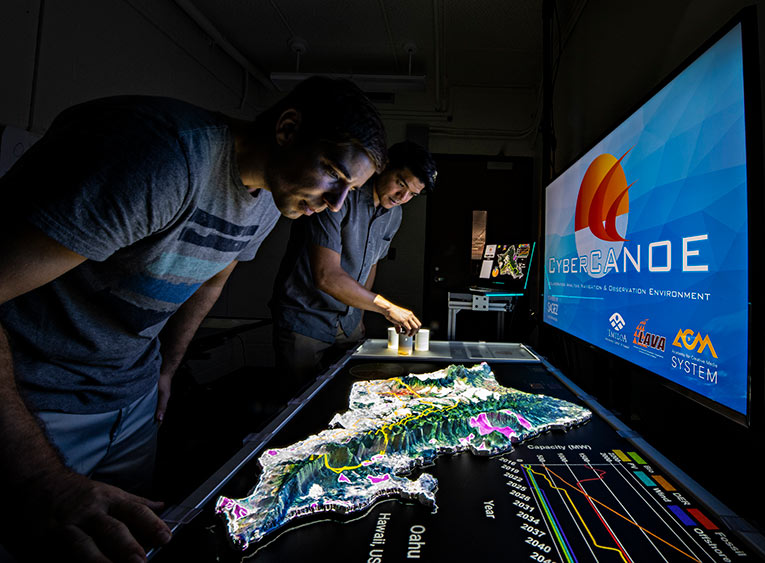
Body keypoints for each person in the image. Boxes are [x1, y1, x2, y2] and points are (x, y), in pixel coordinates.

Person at [0, 76, 386, 562]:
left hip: (132, 393)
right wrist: (39, 475)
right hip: (36, 399)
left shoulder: (270, 200)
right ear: (287, 129)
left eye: (350, 190)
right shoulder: (162, 158)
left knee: (125, 543)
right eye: (333, 174)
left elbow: (209, 282)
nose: (336, 203)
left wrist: (166, 368)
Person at [269, 140, 437, 398]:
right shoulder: (339, 197)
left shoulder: (394, 214)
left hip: (348, 326)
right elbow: (326, 276)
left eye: (412, 195)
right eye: (401, 184)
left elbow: (371, 264)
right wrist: (387, 308)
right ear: (384, 167)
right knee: (300, 402)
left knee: (344, 399)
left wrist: (358, 315)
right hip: (306, 318)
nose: (402, 198)